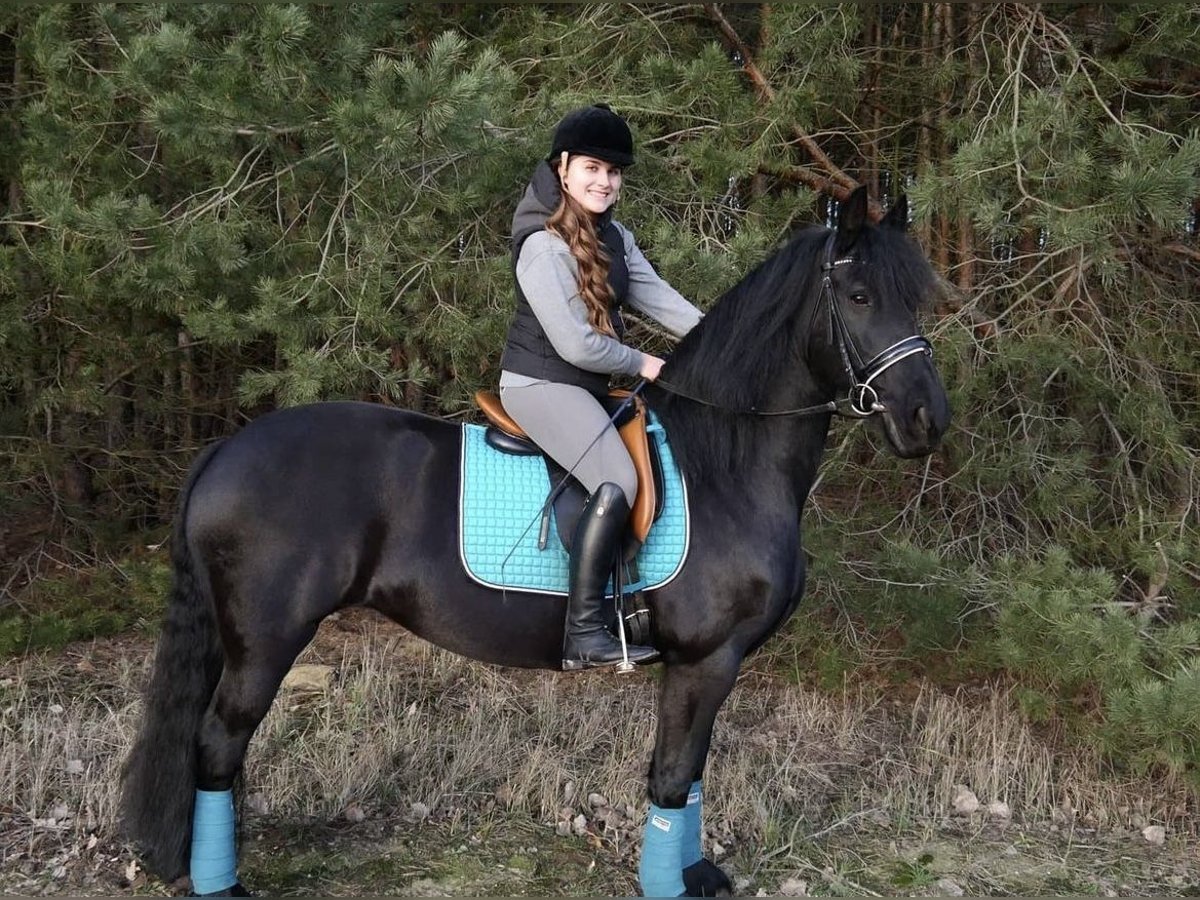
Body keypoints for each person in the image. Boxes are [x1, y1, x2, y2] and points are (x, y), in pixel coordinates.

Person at [498, 103, 703, 670]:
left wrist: (724, 340)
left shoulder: (615, 236)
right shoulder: (541, 243)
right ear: (562, 167)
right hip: (540, 382)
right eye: (593, 168)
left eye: (614, 173)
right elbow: (577, 345)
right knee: (617, 477)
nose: (605, 182)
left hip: (583, 388)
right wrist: (647, 363)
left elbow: (662, 299)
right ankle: (583, 635)